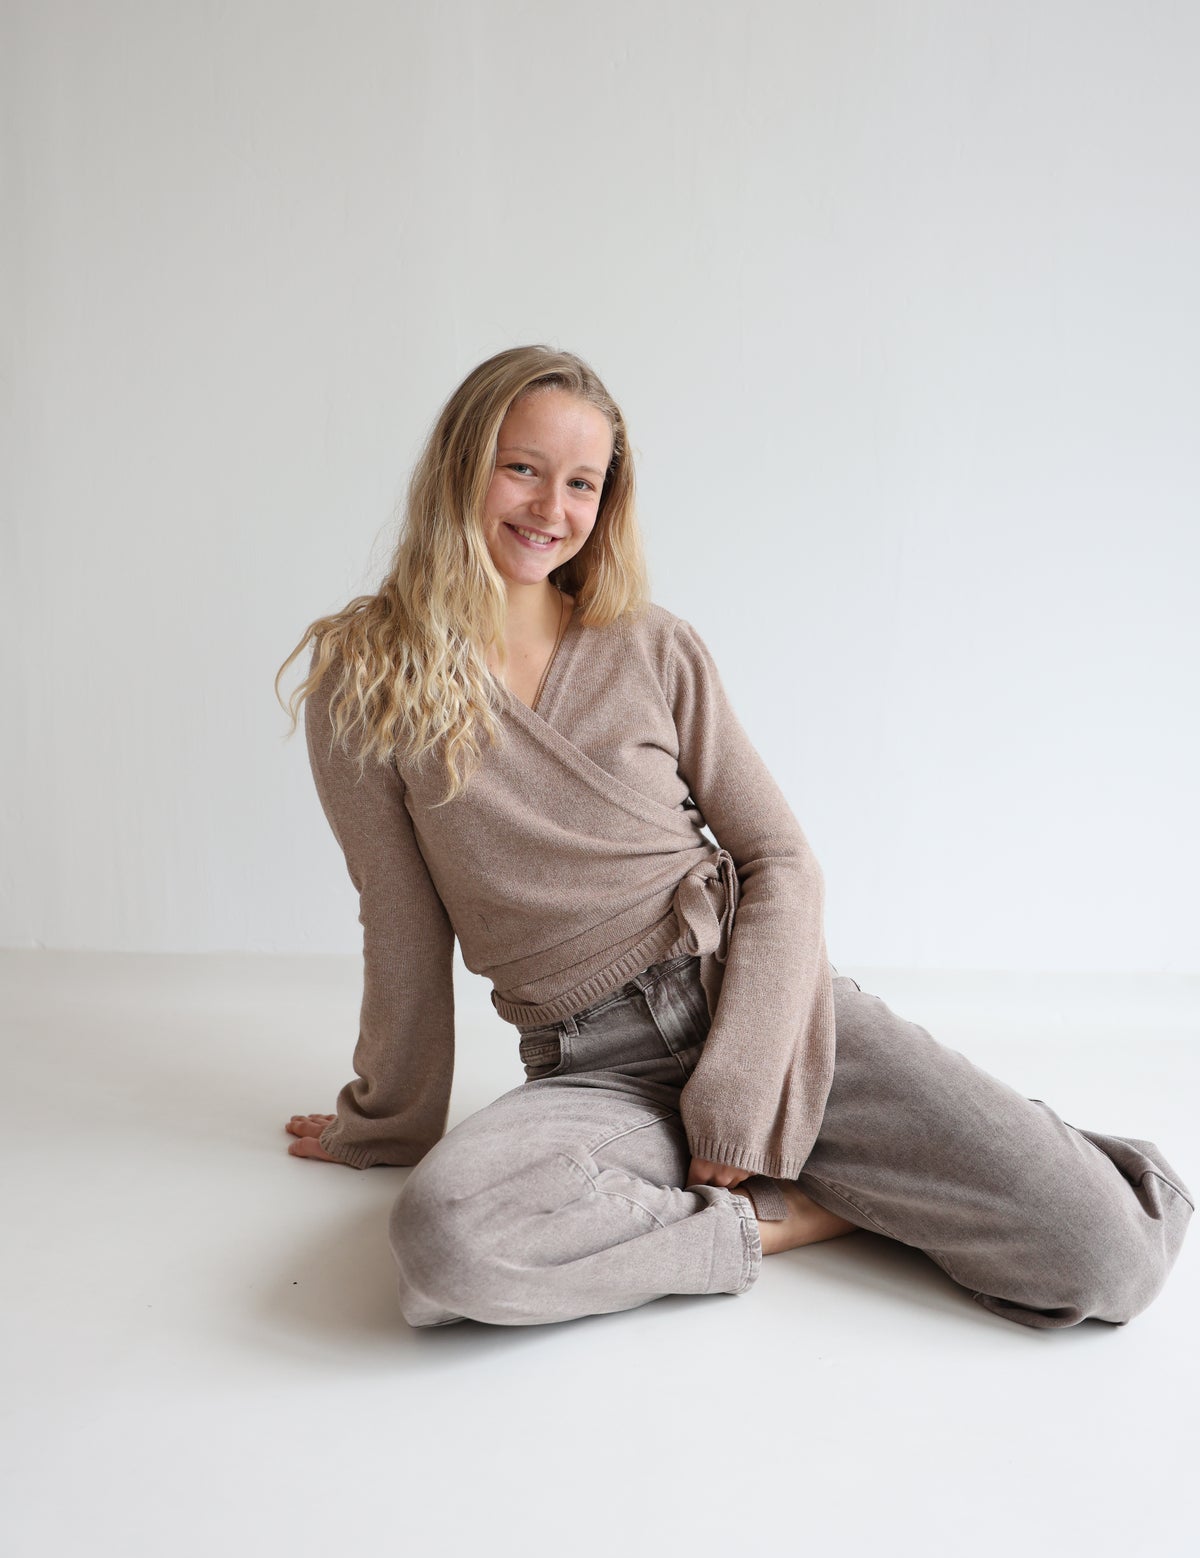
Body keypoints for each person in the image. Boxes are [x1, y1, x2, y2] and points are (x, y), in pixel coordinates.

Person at [275, 344, 1193, 1330]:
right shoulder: (364, 676)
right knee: (448, 1247)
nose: (551, 507)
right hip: (594, 1072)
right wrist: (389, 1122)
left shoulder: (650, 644)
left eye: (582, 482)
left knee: (1109, 1257)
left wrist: (740, 1095)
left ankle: (892, 1166)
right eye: (523, 468)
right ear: (462, 464)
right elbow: (402, 923)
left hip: (762, 1010)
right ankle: (786, 1218)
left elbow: (782, 862)